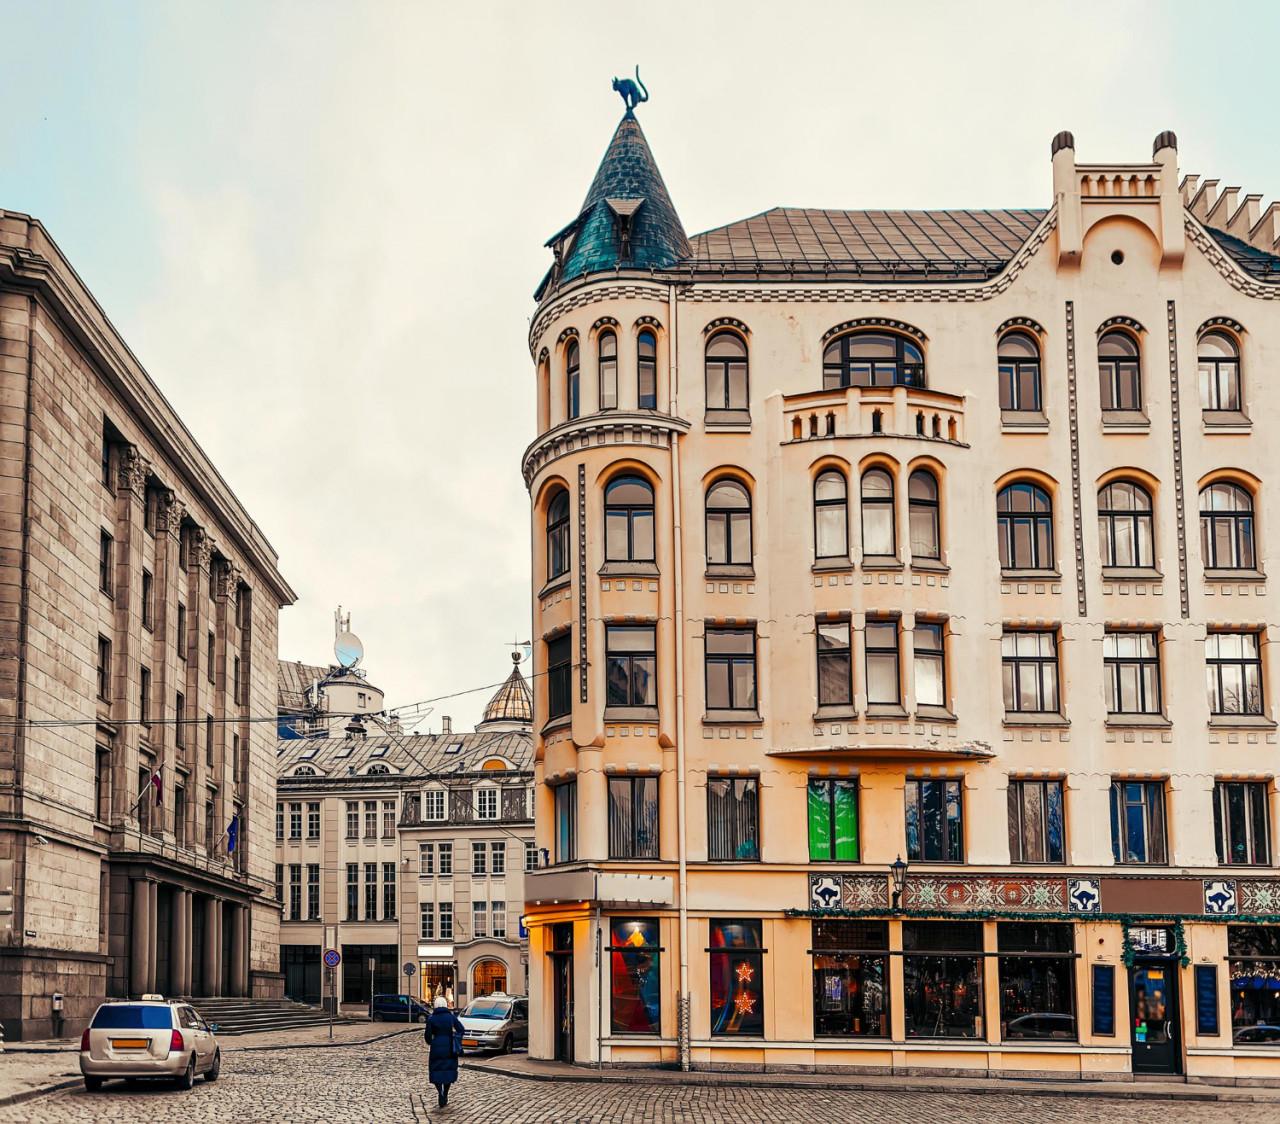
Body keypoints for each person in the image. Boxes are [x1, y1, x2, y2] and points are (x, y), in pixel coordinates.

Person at [425, 995, 465, 1109]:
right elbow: (461, 1029)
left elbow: (427, 1036)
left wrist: (431, 1042)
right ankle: (445, 1093)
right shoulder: (451, 1017)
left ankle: (440, 1092)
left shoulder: (432, 1018)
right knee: (448, 1070)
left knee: (436, 1069)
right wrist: (455, 1037)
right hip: (449, 1047)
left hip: (436, 1046)